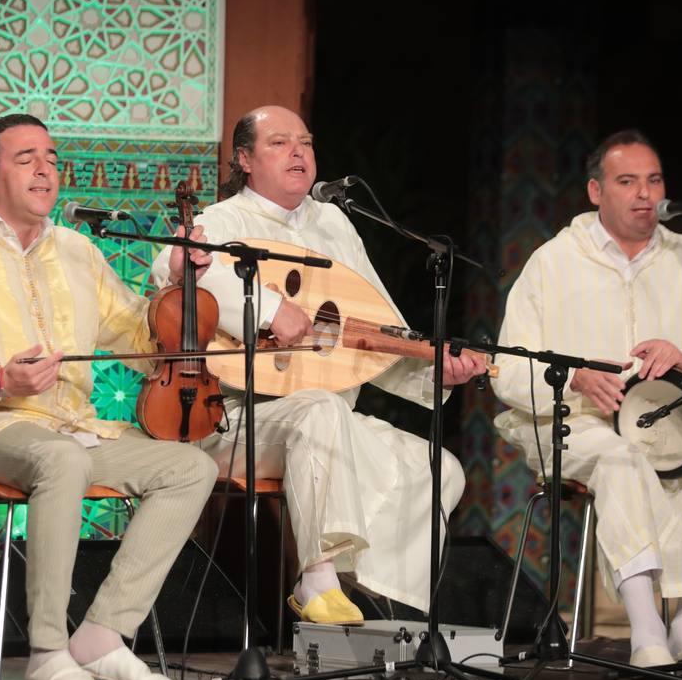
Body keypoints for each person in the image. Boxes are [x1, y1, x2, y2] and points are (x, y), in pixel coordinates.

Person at [0, 113, 218, 680]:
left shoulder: (76, 250)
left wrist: (176, 284)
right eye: (26, 158)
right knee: (61, 459)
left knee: (192, 467)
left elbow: (140, 340)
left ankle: (104, 634)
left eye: (52, 159)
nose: (45, 170)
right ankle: (46, 649)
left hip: (74, 429)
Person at [149, 105, 486, 625]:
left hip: (323, 418)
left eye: (305, 142)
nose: (298, 153)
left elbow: (371, 330)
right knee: (320, 411)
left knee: (442, 469)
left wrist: (431, 369)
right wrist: (266, 309)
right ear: (244, 159)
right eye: (280, 143)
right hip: (233, 419)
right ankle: (318, 581)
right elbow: (174, 271)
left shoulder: (334, 223)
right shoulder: (220, 221)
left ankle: (378, 600)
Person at [493, 129, 682, 667]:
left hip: (667, 415)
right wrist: (574, 377)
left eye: (653, 180)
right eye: (627, 181)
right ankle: (646, 632)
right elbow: (509, 368)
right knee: (621, 459)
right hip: (579, 419)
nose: (644, 194)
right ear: (595, 191)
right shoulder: (554, 261)